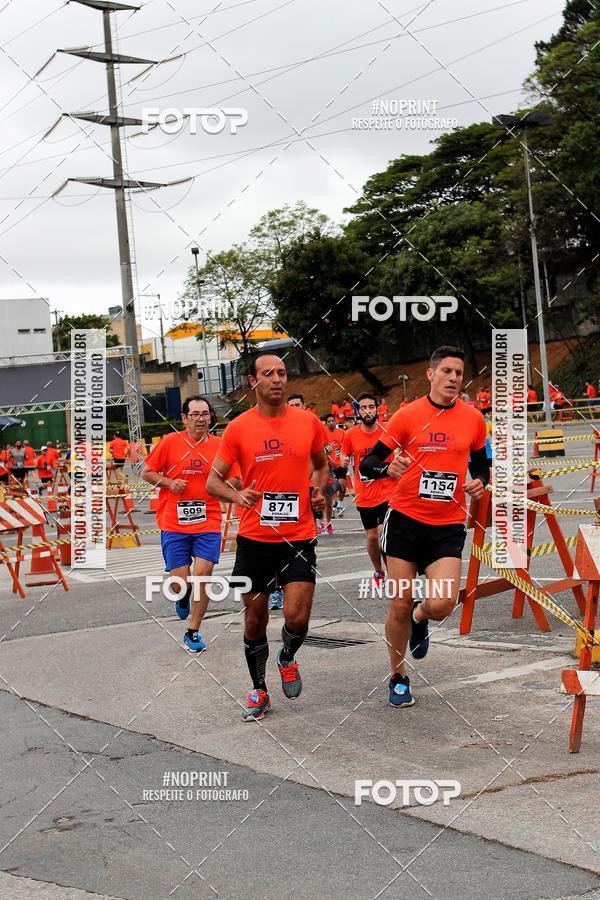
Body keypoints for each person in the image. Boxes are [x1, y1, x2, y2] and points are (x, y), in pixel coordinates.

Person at [360, 346, 489, 709]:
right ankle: (398, 676)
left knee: (444, 602)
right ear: (431, 375)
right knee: (398, 604)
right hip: (403, 523)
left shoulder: (474, 419)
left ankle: (422, 617)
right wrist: (387, 470)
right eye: (446, 371)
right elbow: (368, 463)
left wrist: (480, 481)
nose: (452, 378)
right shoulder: (407, 415)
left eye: (458, 373)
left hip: (446, 525)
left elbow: (481, 464)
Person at [206, 352, 328, 721]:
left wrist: (318, 491)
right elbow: (213, 481)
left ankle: (287, 656)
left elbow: (322, 466)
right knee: (255, 618)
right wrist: (237, 495)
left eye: (282, 373)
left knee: (297, 618)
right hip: (255, 538)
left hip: (299, 536)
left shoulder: (308, 422)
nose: (277, 379)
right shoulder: (239, 428)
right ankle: (259, 690)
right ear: (252, 381)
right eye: (268, 374)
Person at [142, 396, 240, 653]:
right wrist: (169, 483)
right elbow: (147, 472)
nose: (200, 418)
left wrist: (228, 486)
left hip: (208, 519)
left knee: (204, 575)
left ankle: (193, 631)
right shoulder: (169, 443)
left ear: (210, 417)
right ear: (184, 418)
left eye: (205, 414)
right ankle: (182, 595)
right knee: (181, 583)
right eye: (195, 414)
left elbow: (236, 477)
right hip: (173, 522)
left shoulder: (220, 446)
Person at [340, 392, 395, 585]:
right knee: (372, 537)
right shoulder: (350, 435)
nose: (368, 411)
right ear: (358, 411)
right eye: (363, 408)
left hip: (388, 491)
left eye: (371, 407)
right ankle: (378, 570)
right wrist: (343, 460)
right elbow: (344, 457)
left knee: (383, 532)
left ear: (377, 409)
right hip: (365, 494)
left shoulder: (388, 430)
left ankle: (393, 574)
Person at [323, 412, 346, 522]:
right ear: (326, 423)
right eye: (329, 421)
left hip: (340, 462)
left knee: (342, 485)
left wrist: (344, 456)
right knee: (331, 487)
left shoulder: (341, 432)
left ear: (336, 421)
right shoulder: (324, 434)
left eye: (333, 421)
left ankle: (340, 503)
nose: (331, 423)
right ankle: (333, 506)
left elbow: (346, 446)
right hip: (329, 463)